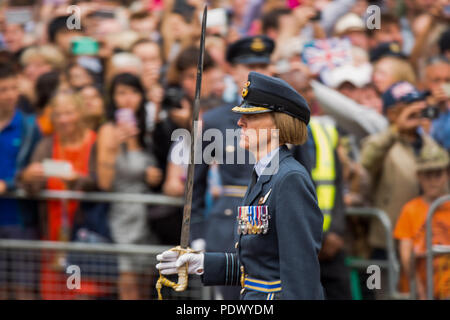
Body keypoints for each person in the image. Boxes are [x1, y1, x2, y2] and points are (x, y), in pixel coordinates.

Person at [157, 72, 324, 300]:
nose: (240, 122)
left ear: (278, 122)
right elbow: (258, 265)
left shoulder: (289, 178)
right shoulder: (264, 176)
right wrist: (204, 262)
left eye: (252, 116)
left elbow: (300, 272)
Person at [189, 35, 274, 300]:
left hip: (273, 225)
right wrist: (198, 232)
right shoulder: (214, 120)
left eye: (263, 65)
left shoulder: (285, 118)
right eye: (249, 67)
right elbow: (195, 183)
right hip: (227, 226)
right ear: (233, 71)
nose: (257, 73)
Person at [20, 91, 97, 299]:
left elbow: (102, 183)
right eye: (58, 114)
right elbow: (31, 186)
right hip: (53, 236)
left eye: (69, 113)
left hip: (84, 236)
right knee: (55, 293)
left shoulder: (94, 142)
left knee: (82, 292)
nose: (63, 120)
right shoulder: (45, 145)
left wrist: (78, 180)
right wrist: (29, 176)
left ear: (80, 112)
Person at [360, 81, 442, 272]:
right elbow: (367, 160)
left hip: (425, 239)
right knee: (380, 290)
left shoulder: (430, 143)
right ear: (391, 113)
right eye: (407, 106)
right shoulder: (379, 142)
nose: (415, 111)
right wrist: (396, 128)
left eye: (418, 104)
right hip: (385, 243)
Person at [95, 73, 162, 300]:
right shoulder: (108, 131)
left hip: (147, 215)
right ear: (112, 98)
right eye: (121, 93)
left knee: (145, 285)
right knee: (128, 285)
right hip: (121, 215)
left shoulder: (147, 131)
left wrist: (153, 176)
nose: (128, 99)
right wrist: (114, 147)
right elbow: (104, 183)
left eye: (133, 92)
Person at [0, 63, 41, 300]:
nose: (10, 95)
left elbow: (33, 169)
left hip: (20, 219)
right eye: (4, 89)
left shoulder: (28, 126)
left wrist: (10, 182)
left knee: (24, 288)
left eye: (14, 88)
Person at [394, 144, 450, 300]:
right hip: (421, 288)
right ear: (419, 176)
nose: (432, 181)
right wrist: (419, 290)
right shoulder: (410, 210)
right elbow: (406, 255)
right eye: (427, 175)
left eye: (437, 174)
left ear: (447, 174)